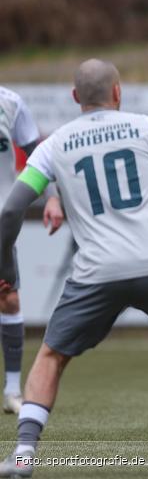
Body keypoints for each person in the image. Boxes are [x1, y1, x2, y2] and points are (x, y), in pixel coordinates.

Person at [0, 60, 148, 477]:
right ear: (118, 92)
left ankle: (23, 454)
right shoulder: (145, 127)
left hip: (96, 272)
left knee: (52, 355)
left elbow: (10, 210)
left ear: (75, 97)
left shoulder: (54, 145)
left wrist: (6, 263)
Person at [0, 87, 65, 415]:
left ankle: (12, 389)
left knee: (8, 298)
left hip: (0, 220)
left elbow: (36, 152)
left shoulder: (10, 101)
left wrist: (52, 195)